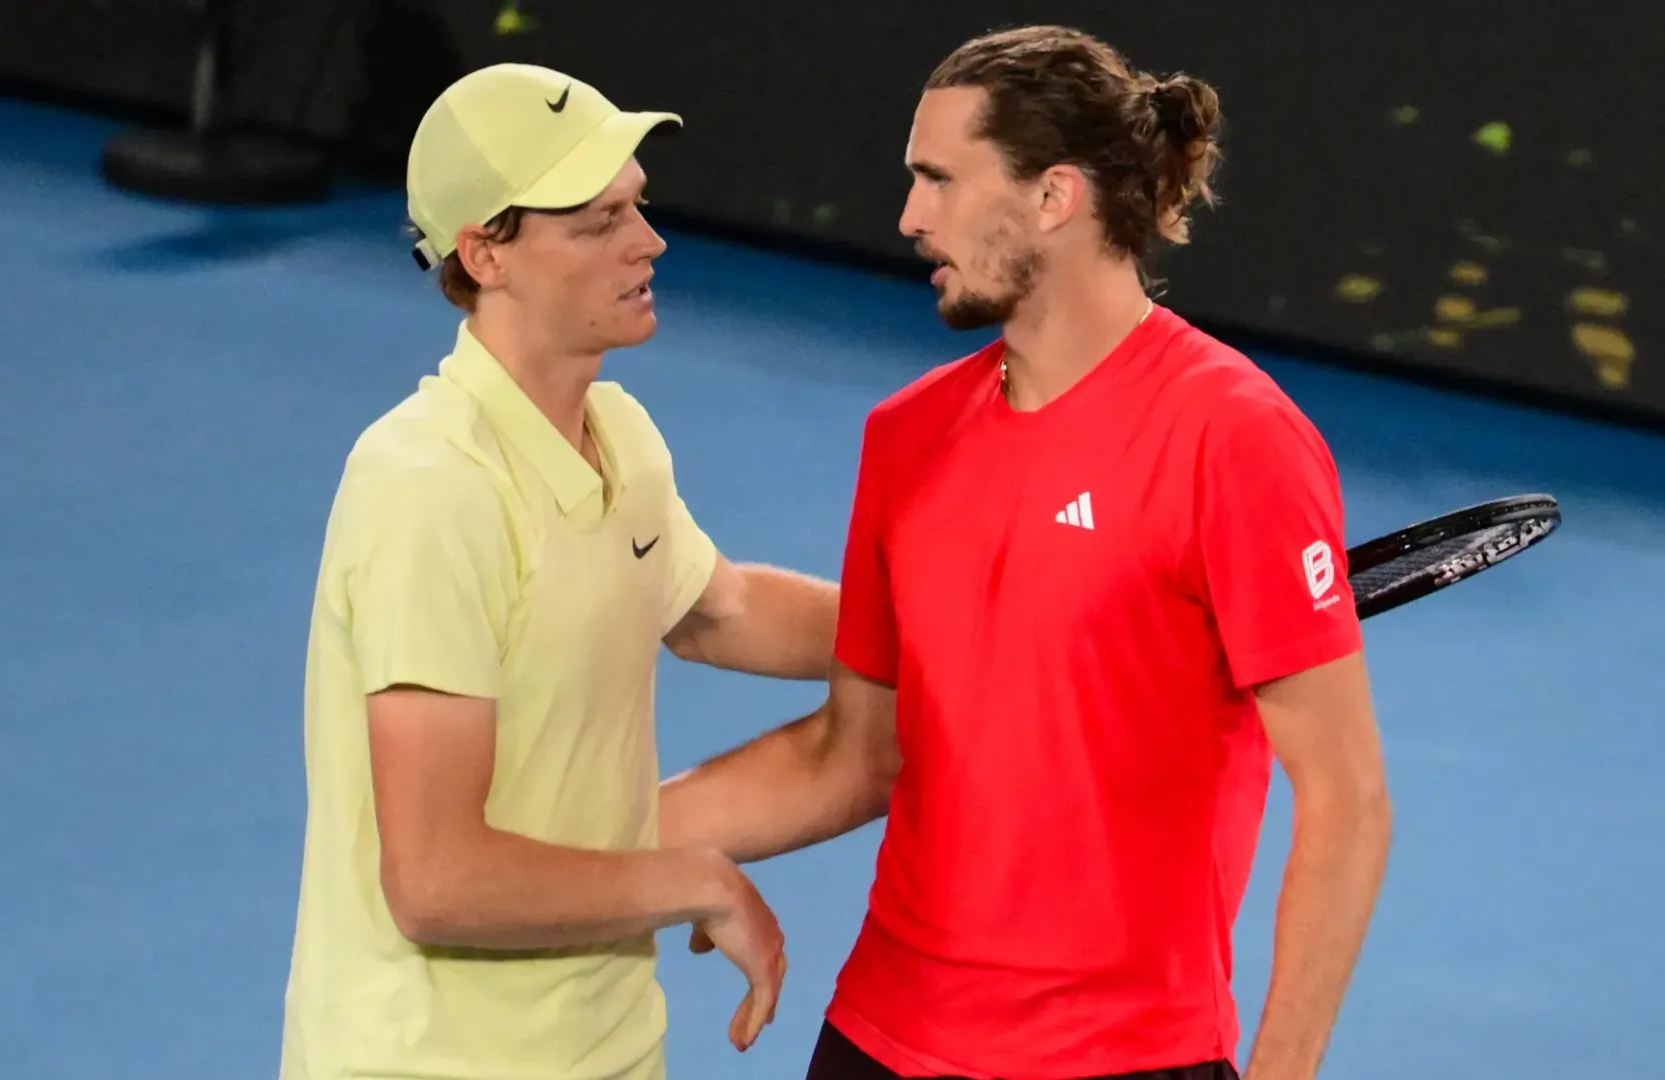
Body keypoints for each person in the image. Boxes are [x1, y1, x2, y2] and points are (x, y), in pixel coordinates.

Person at [659, 25, 1393, 1080]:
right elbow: (852, 756)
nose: (910, 218)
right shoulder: (905, 438)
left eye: (940, 180)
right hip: (878, 1037)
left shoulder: (1231, 439)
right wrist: (611, 846)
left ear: (1056, 198)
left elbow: (1346, 796)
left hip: (1122, 1059)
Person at [277, 63, 835, 1080]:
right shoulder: (431, 487)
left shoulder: (619, 436)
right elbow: (438, 881)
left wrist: (960, 626)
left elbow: (721, 609)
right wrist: (697, 881)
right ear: (484, 253)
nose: (649, 241)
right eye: (596, 222)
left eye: (638, 207)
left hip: (607, 1048)